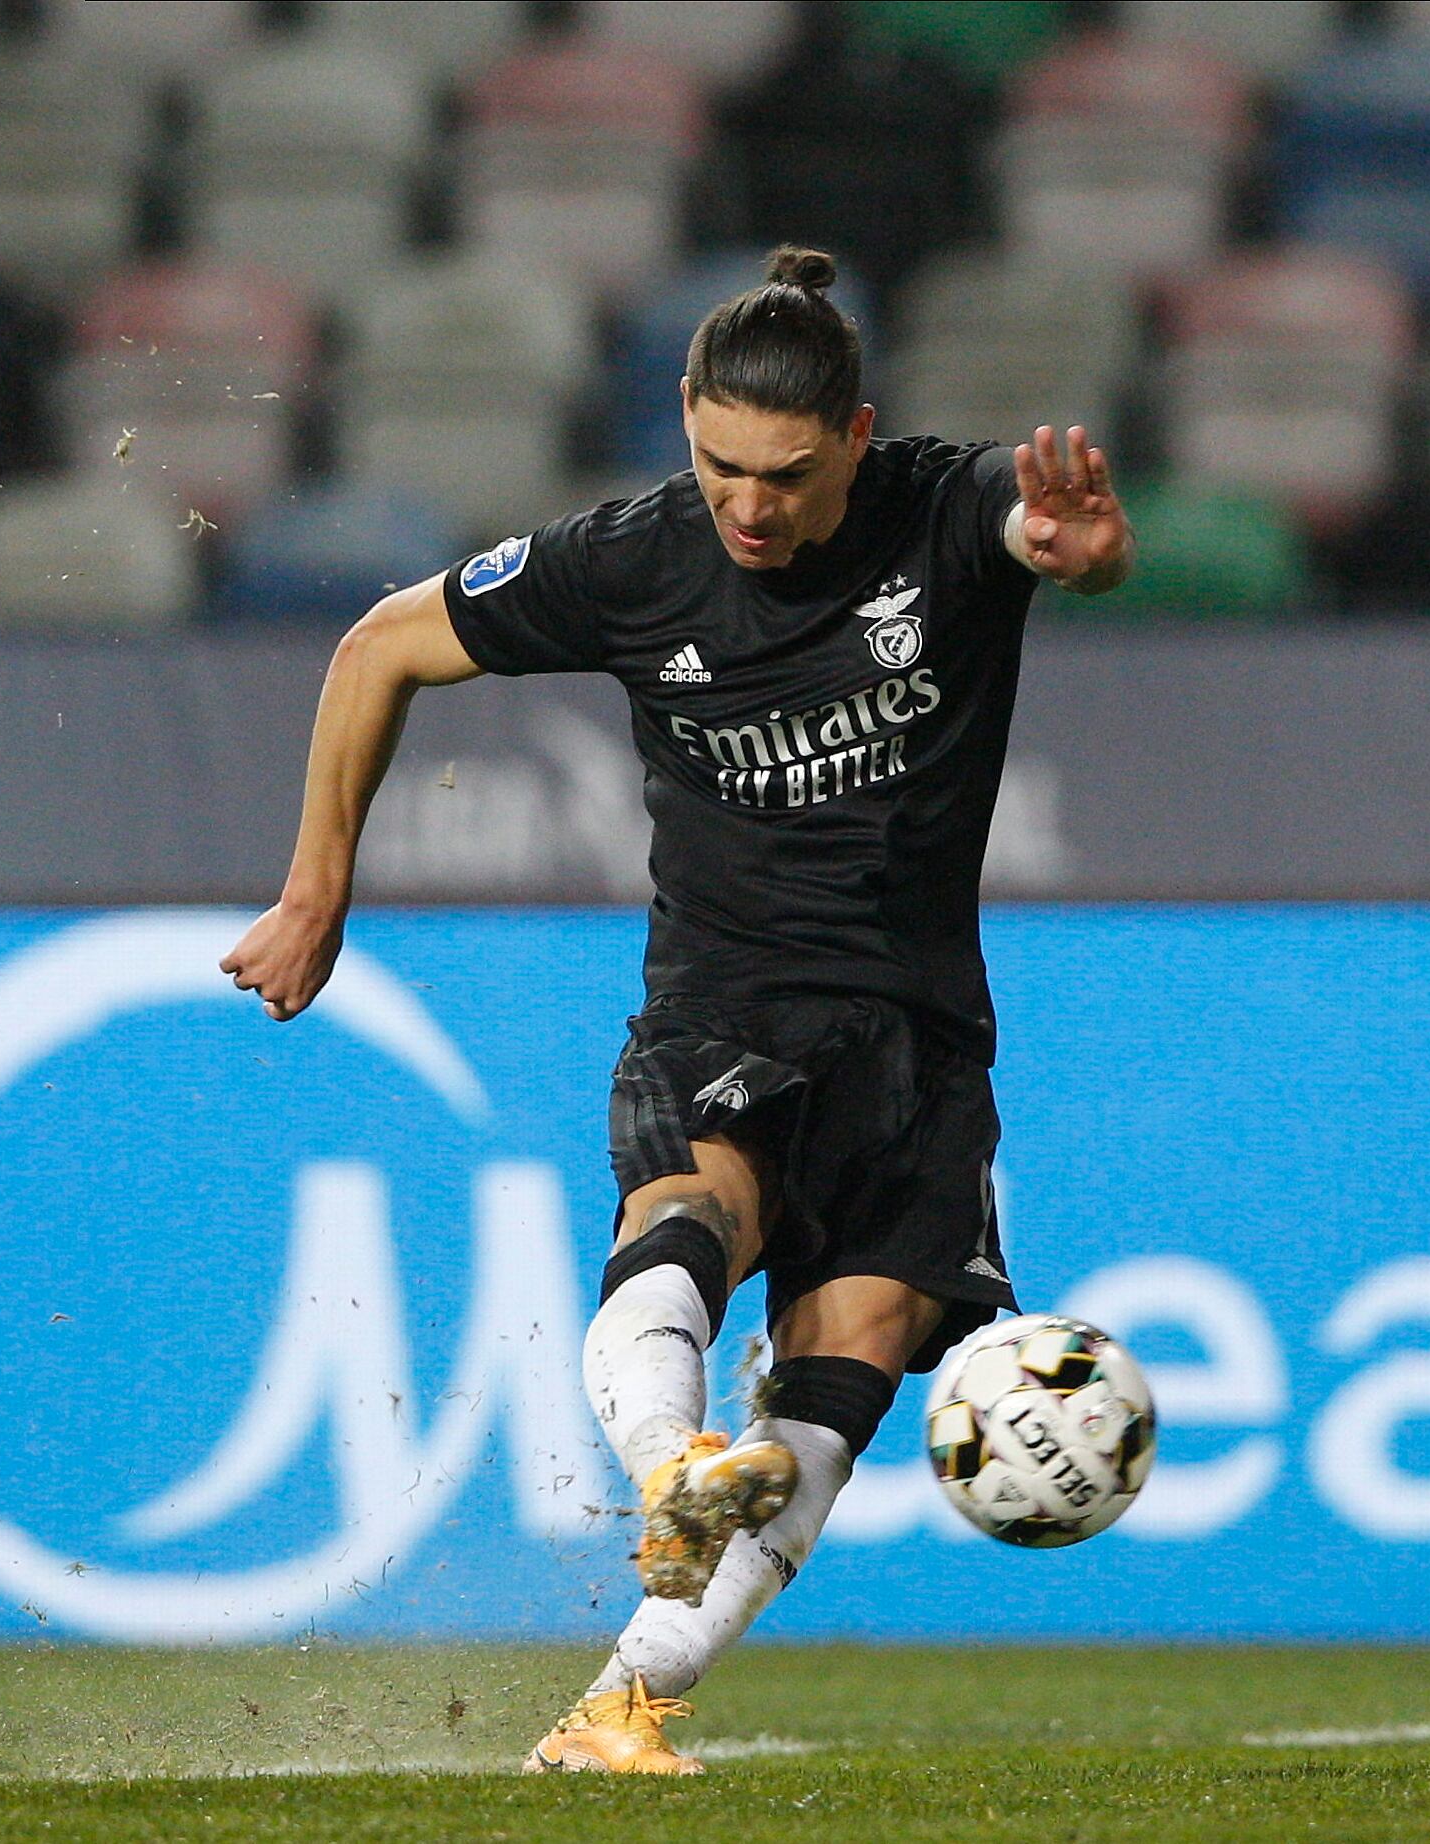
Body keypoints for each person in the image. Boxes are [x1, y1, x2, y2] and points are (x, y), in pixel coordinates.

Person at [220, 246, 1133, 1774]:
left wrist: (1085, 556)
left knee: (840, 1393)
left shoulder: (944, 510)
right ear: (688, 420)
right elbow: (380, 643)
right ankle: (667, 1459)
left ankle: (623, 1706)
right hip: (727, 998)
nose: (748, 507)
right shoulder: (633, 559)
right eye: (717, 464)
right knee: (698, 1207)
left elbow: (1053, 541)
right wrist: (318, 892)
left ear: (853, 437)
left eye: (783, 475)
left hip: (919, 1041)